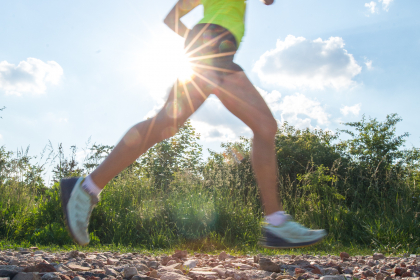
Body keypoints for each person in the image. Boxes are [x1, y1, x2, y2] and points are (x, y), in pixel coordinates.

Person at [60, 0, 326, 248]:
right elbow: (172, 18)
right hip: (210, 47)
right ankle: (86, 188)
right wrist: (199, 41)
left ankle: (276, 222)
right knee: (174, 122)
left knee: (181, 123)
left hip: (217, 52)